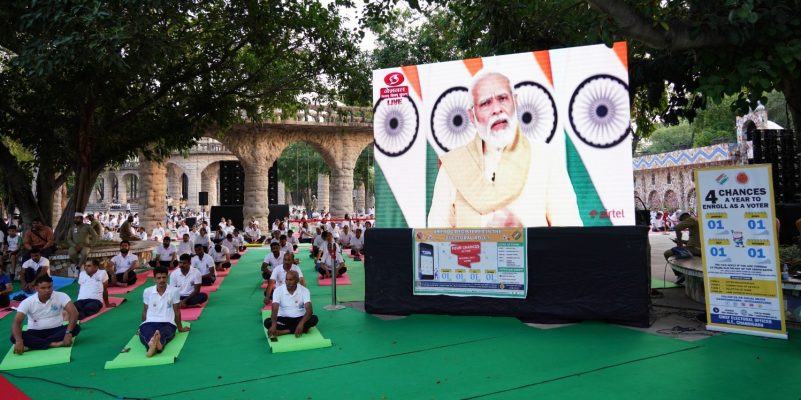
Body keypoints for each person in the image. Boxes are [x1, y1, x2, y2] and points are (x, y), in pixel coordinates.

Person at [428, 71, 581, 228]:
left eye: (502, 99)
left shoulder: (545, 158)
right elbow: (435, 238)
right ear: (472, 116)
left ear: (515, 102)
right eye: (486, 103)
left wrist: (521, 237)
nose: (497, 109)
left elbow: (570, 236)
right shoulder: (454, 166)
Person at [10, 275, 80, 354]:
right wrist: (19, 341)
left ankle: (36, 344)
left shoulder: (61, 296)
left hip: (56, 330)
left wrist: (68, 332)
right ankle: (54, 344)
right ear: (36, 288)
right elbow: (16, 322)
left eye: (49, 287)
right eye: (43, 288)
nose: (47, 290)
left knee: (75, 328)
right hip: (35, 332)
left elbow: (74, 313)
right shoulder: (27, 302)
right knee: (14, 337)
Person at [140, 266, 190, 357]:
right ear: (154, 279)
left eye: (164, 277)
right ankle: (157, 345)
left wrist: (180, 328)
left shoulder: (174, 291)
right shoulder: (147, 291)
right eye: (158, 278)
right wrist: (142, 325)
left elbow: (177, 311)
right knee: (145, 332)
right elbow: (145, 310)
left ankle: (154, 344)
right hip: (150, 322)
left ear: (167, 277)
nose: (161, 280)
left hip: (167, 322)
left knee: (163, 332)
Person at [265, 270, 319, 338]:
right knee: (267, 322)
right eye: (286, 280)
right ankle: (296, 329)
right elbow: (275, 309)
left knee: (314, 319)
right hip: (283, 319)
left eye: (291, 280)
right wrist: (273, 325)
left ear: (297, 280)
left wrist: (301, 324)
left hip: (299, 318)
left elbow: (309, 311)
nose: (288, 282)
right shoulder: (278, 290)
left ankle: (283, 331)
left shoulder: (304, 290)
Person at [663, 212, 701, 284]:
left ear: (684, 216)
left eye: (681, 220)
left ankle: (680, 274)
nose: (682, 222)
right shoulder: (696, 221)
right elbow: (695, 239)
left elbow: (677, 228)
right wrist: (683, 241)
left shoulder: (691, 219)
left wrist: (679, 242)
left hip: (695, 248)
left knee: (667, 253)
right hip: (695, 246)